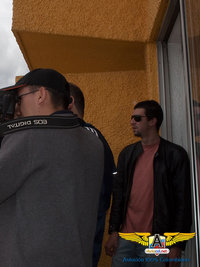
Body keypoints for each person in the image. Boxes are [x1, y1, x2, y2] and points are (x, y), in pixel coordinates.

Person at [0, 68, 104, 267]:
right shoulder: (92, 143)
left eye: (19, 98)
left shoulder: (31, 139)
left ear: (40, 95)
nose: (17, 105)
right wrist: (14, 128)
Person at [105, 100, 192, 266]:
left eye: (137, 118)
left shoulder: (175, 155)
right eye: (131, 118)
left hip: (157, 238)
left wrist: (177, 245)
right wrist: (114, 232)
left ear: (153, 121)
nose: (132, 122)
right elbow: (118, 197)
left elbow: (183, 203)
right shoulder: (127, 154)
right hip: (126, 237)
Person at [68, 83, 116, 267]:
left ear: (69, 103)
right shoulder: (96, 136)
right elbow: (112, 177)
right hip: (91, 221)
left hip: (78, 226)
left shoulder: (80, 134)